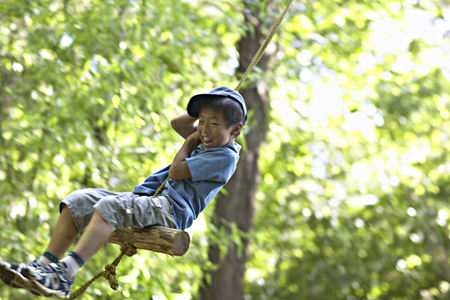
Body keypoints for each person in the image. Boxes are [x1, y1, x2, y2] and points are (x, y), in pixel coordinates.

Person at [0, 86, 247, 298]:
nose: (203, 129)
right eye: (201, 122)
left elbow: (176, 172)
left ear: (235, 130)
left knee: (110, 206)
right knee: (78, 201)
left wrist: (188, 142)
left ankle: (65, 274)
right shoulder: (208, 138)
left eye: (213, 124)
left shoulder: (224, 157)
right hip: (149, 199)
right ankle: (45, 268)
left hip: (170, 210)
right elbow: (177, 122)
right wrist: (206, 110)